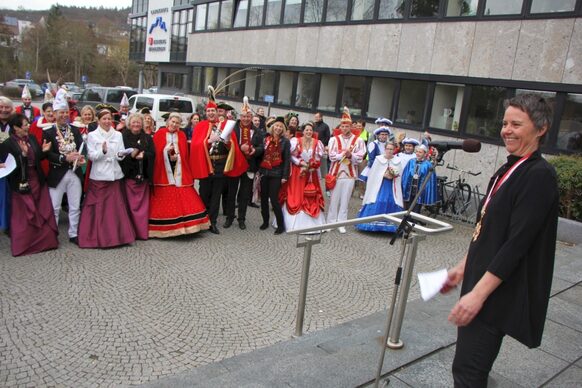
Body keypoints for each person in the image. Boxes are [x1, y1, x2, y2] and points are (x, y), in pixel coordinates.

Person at [441, 94, 559, 387]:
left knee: (468, 372)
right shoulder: (509, 167)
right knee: (468, 367)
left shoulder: (538, 176)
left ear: (541, 128)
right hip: (480, 281)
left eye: (516, 124)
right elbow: (488, 231)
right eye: (505, 123)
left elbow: (516, 244)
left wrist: (478, 295)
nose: (506, 130)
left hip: (495, 294)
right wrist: (461, 269)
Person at [0, 114, 58, 256]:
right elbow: (8, 166)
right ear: (16, 127)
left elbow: (38, 158)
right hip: (21, 182)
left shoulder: (31, 139)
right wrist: (23, 156)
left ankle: (45, 242)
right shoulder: (8, 144)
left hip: (37, 179)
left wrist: (44, 151)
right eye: (25, 124)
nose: (28, 127)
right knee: (24, 214)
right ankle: (24, 245)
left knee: (42, 209)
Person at [77, 109, 136, 248]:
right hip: (99, 174)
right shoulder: (92, 135)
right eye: (104, 119)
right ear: (98, 120)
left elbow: (119, 153)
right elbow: (91, 156)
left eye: (109, 119)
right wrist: (102, 151)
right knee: (99, 208)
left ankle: (117, 237)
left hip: (114, 174)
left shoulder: (117, 135)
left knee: (114, 208)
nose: (107, 121)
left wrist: (122, 154)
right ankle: (96, 237)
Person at [190, 96, 247, 234]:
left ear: (217, 112)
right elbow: (195, 145)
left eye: (213, 111)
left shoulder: (223, 125)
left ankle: (213, 222)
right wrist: (208, 141)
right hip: (206, 164)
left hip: (220, 165)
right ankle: (202, 221)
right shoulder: (200, 126)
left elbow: (232, 146)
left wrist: (227, 141)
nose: (210, 113)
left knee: (216, 195)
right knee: (204, 194)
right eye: (208, 111)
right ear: (206, 112)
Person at [150, 112, 210, 237]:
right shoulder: (159, 134)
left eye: (177, 123)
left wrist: (176, 157)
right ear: (168, 122)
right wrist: (166, 152)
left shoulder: (182, 135)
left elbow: (184, 154)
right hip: (163, 172)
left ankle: (188, 226)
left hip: (179, 172)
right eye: (173, 122)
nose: (174, 124)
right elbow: (155, 154)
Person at [43, 88, 85, 245]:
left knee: (75, 206)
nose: (64, 115)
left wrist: (81, 158)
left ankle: (73, 233)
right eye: (60, 112)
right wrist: (64, 157)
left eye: (66, 112)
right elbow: (48, 154)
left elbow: (81, 147)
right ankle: (52, 234)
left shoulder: (74, 130)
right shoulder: (48, 132)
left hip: (74, 171)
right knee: (55, 207)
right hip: (57, 173)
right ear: (54, 114)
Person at [325, 107, 366, 233]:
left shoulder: (358, 140)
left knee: (345, 199)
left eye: (347, 126)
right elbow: (331, 155)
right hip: (336, 173)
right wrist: (343, 154)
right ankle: (330, 222)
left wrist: (351, 155)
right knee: (334, 199)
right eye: (342, 126)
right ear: (340, 127)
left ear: (350, 127)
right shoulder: (333, 139)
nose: (344, 129)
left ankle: (341, 223)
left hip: (349, 174)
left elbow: (360, 156)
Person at [281, 121, 325, 232]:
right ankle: (293, 224)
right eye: (307, 130)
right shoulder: (295, 141)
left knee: (311, 194)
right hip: (298, 172)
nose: (309, 132)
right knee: (297, 194)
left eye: (310, 130)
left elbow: (318, 158)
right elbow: (291, 156)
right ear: (303, 131)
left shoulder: (317, 143)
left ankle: (312, 223)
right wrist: (301, 163)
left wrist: (312, 164)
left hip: (311, 172)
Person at [230, 97, 263, 230]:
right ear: (240, 117)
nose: (246, 119)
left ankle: (241, 219)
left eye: (248, 117)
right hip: (235, 165)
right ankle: (229, 217)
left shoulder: (258, 131)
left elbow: (262, 147)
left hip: (249, 166)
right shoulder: (233, 128)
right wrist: (239, 147)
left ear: (251, 117)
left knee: (244, 194)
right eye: (244, 116)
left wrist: (255, 150)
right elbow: (228, 143)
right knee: (232, 193)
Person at [120, 113, 155, 240]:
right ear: (129, 124)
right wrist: (133, 156)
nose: (136, 124)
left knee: (143, 207)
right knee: (129, 205)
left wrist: (144, 155)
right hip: (129, 175)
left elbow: (153, 154)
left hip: (143, 176)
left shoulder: (147, 138)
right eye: (134, 122)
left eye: (138, 122)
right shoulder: (123, 136)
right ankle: (130, 232)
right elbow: (120, 155)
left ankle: (141, 232)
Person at [355, 142, 403, 233]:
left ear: (394, 150)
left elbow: (400, 175)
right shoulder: (379, 159)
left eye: (391, 149)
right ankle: (372, 224)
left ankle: (390, 226)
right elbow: (373, 174)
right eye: (388, 149)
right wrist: (383, 175)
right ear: (385, 149)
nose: (389, 151)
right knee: (379, 200)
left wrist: (394, 175)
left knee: (390, 201)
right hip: (379, 186)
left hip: (391, 186)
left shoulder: (398, 161)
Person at [258, 116, 289, 235]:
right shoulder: (266, 139)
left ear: (283, 129)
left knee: (274, 199)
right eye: (276, 126)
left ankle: (280, 225)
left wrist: (285, 176)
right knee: (264, 199)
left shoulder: (285, 142)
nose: (278, 128)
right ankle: (265, 222)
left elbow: (287, 160)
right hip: (265, 172)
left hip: (277, 173)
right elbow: (261, 153)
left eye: (281, 127)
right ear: (273, 127)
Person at [401, 144, 438, 212]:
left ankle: (413, 221)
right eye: (417, 151)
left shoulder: (428, 165)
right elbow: (405, 175)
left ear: (425, 154)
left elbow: (430, 180)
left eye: (420, 152)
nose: (417, 154)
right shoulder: (411, 162)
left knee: (416, 209)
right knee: (407, 207)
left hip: (420, 191)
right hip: (410, 190)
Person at [0, 97, 14, 232]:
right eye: (1, 107)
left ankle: (10, 225)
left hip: (13, 164)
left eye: (7, 107)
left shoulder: (15, 123)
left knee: (11, 197)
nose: (3, 110)